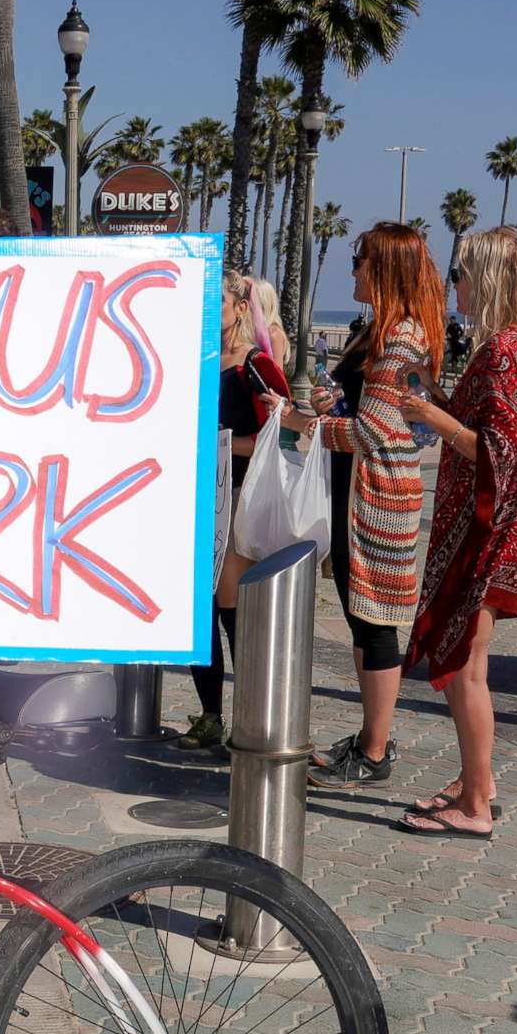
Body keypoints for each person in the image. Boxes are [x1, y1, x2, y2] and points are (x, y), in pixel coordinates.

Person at [396, 228, 517, 837]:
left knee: (466, 663)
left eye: (461, 274)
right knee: (472, 662)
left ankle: (474, 808)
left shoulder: (506, 353)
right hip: (505, 527)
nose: (453, 285)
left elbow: (495, 455)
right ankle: (477, 783)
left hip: (489, 532)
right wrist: (438, 395)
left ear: (487, 280)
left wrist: (428, 414)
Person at [281, 222, 444, 788]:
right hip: (360, 491)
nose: (352, 271)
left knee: (375, 619)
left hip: (377, 497)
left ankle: (375, 749)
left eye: (360, 262)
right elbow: (368, 409)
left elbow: (376, 432)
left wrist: (308, 425)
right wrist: (334, 402)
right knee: (360, 615)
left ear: (385, 268)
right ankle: (371, 737)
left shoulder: (402, 337)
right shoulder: (378, 332)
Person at [178, 270, 291, 752]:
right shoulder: (199, 360)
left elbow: (283, 433)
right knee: (197, 614)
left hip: (240, 497)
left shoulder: (257, 365)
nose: (210, 312)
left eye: (218, 304)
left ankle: (251, 718)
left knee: (228, 609)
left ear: (242, 308)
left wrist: (222, 444)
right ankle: (210, 716)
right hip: (200, 496)